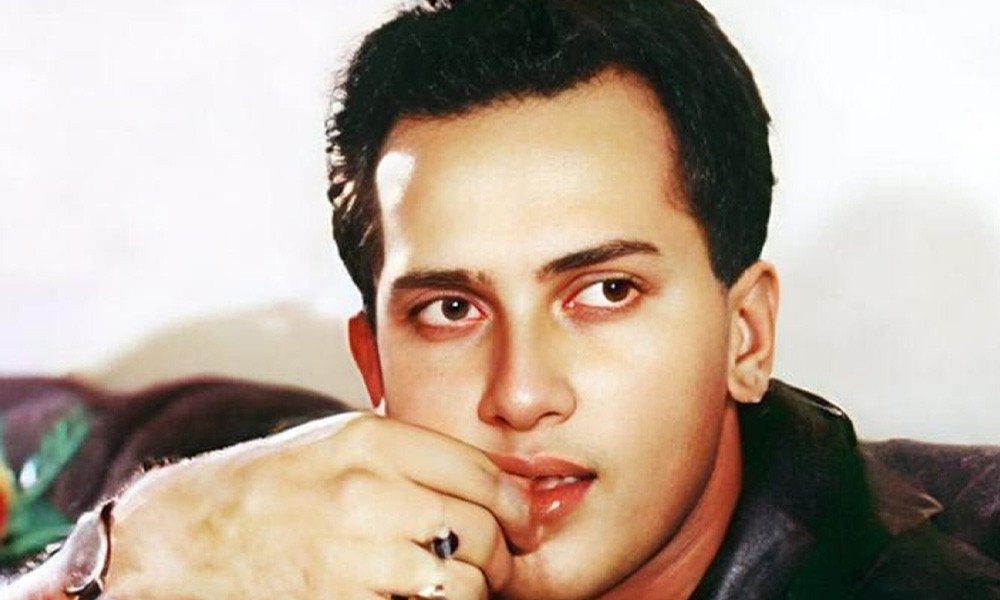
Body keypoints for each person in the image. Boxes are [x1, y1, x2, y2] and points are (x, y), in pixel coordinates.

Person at [3, 0, 999, 599]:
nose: (520, 396)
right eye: (450, 311)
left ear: (746, 334)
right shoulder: (278, 514)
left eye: (604, 291)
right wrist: (127, 564)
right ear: (372, 365)